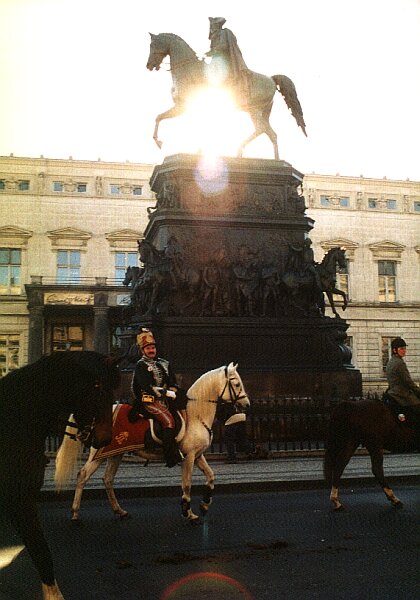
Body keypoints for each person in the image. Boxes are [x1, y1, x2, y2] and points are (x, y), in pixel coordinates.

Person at [128, 329, 186, 467]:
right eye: (148, 348)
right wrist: (165, 392)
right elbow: (145, 386)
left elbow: (172, 381)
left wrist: (174, 389)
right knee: (169, 422)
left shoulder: (164, 363)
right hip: (148, 399)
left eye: (153, 347)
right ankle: (169, 455)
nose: (151, 350)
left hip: (166, 399)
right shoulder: (141, 366)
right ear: (143, 351)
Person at [206, 17, 250, 99]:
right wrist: (208, 53)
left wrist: (213, 51)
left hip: (224, 60)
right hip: (215, 60)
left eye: (213, 25)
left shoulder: (224, 33)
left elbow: (223, 46)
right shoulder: (214, 37)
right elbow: (212, 49)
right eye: (211, 26)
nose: (212, 27)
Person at [385, 337, 420, 417]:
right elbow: (408, 382)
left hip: (391, 392)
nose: (404, 351)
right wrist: (418, 390)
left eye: (404, 349)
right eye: (401, 349)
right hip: (401, 394)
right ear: (395, 350)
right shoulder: (400, 363)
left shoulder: (390, 362)